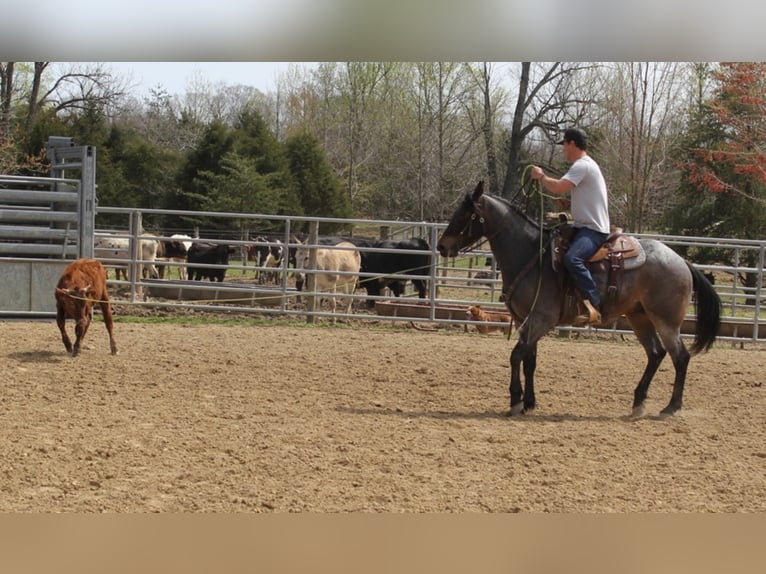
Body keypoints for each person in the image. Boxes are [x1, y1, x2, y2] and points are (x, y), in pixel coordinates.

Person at [530, 127, 610, 325]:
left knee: (572, 259)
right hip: (585, 227)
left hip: (593, 230)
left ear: (572, 143)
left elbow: (557, 186)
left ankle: (594, 304)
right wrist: (570, 204)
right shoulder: (586, 166)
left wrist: (541, 176)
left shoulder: (582, 166)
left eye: (564, 145)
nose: (563, 149)